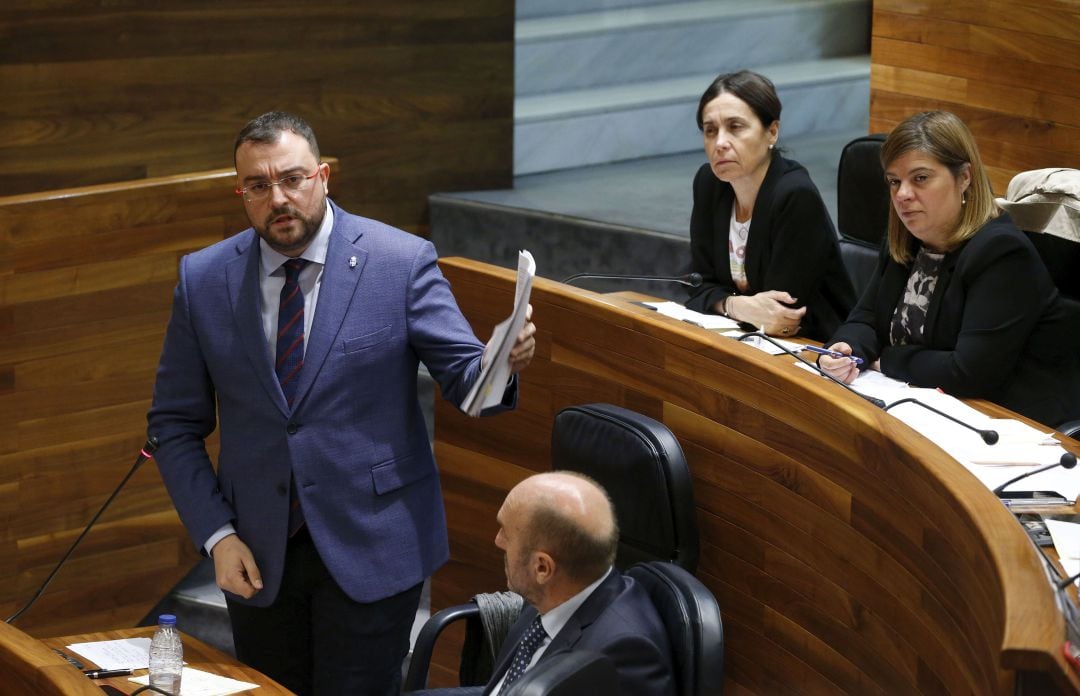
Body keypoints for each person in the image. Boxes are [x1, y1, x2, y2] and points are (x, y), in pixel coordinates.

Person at [146, 111, 536, 695]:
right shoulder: (204, 278)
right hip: (256, 554)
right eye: (257, 185)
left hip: (373, 543)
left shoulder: (399, 261)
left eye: (293, 178)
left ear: (324, 176)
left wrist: (501, 359)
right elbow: (173, 426)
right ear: (241, 193)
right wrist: (217, 536)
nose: (277, 197)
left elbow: (468, 384)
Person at [819, 110, 1080, 427]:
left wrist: (884, 360)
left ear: (964, 177)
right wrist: (847, 348)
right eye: (894, 181)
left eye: (920, 178)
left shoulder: (1001, 252)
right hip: (924, 404)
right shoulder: (907, 239)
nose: (902, 195)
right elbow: (867, 316)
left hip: (1006, 423)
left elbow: (968, 372)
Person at [685, 70, 855, 341]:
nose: (720, 143)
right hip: (742, 338)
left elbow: (780, 315)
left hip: (814, 347)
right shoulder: (709, 183)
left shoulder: (795, 195)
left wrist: (723, 303)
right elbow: (696, 285)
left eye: (735, 127)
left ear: (771, 132)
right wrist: (735, 305)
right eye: (710, 130)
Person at [484, 472, 675, 695]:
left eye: (506, 533)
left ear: (542, 568)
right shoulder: (549, 592)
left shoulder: (621, 658)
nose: (498, 541)